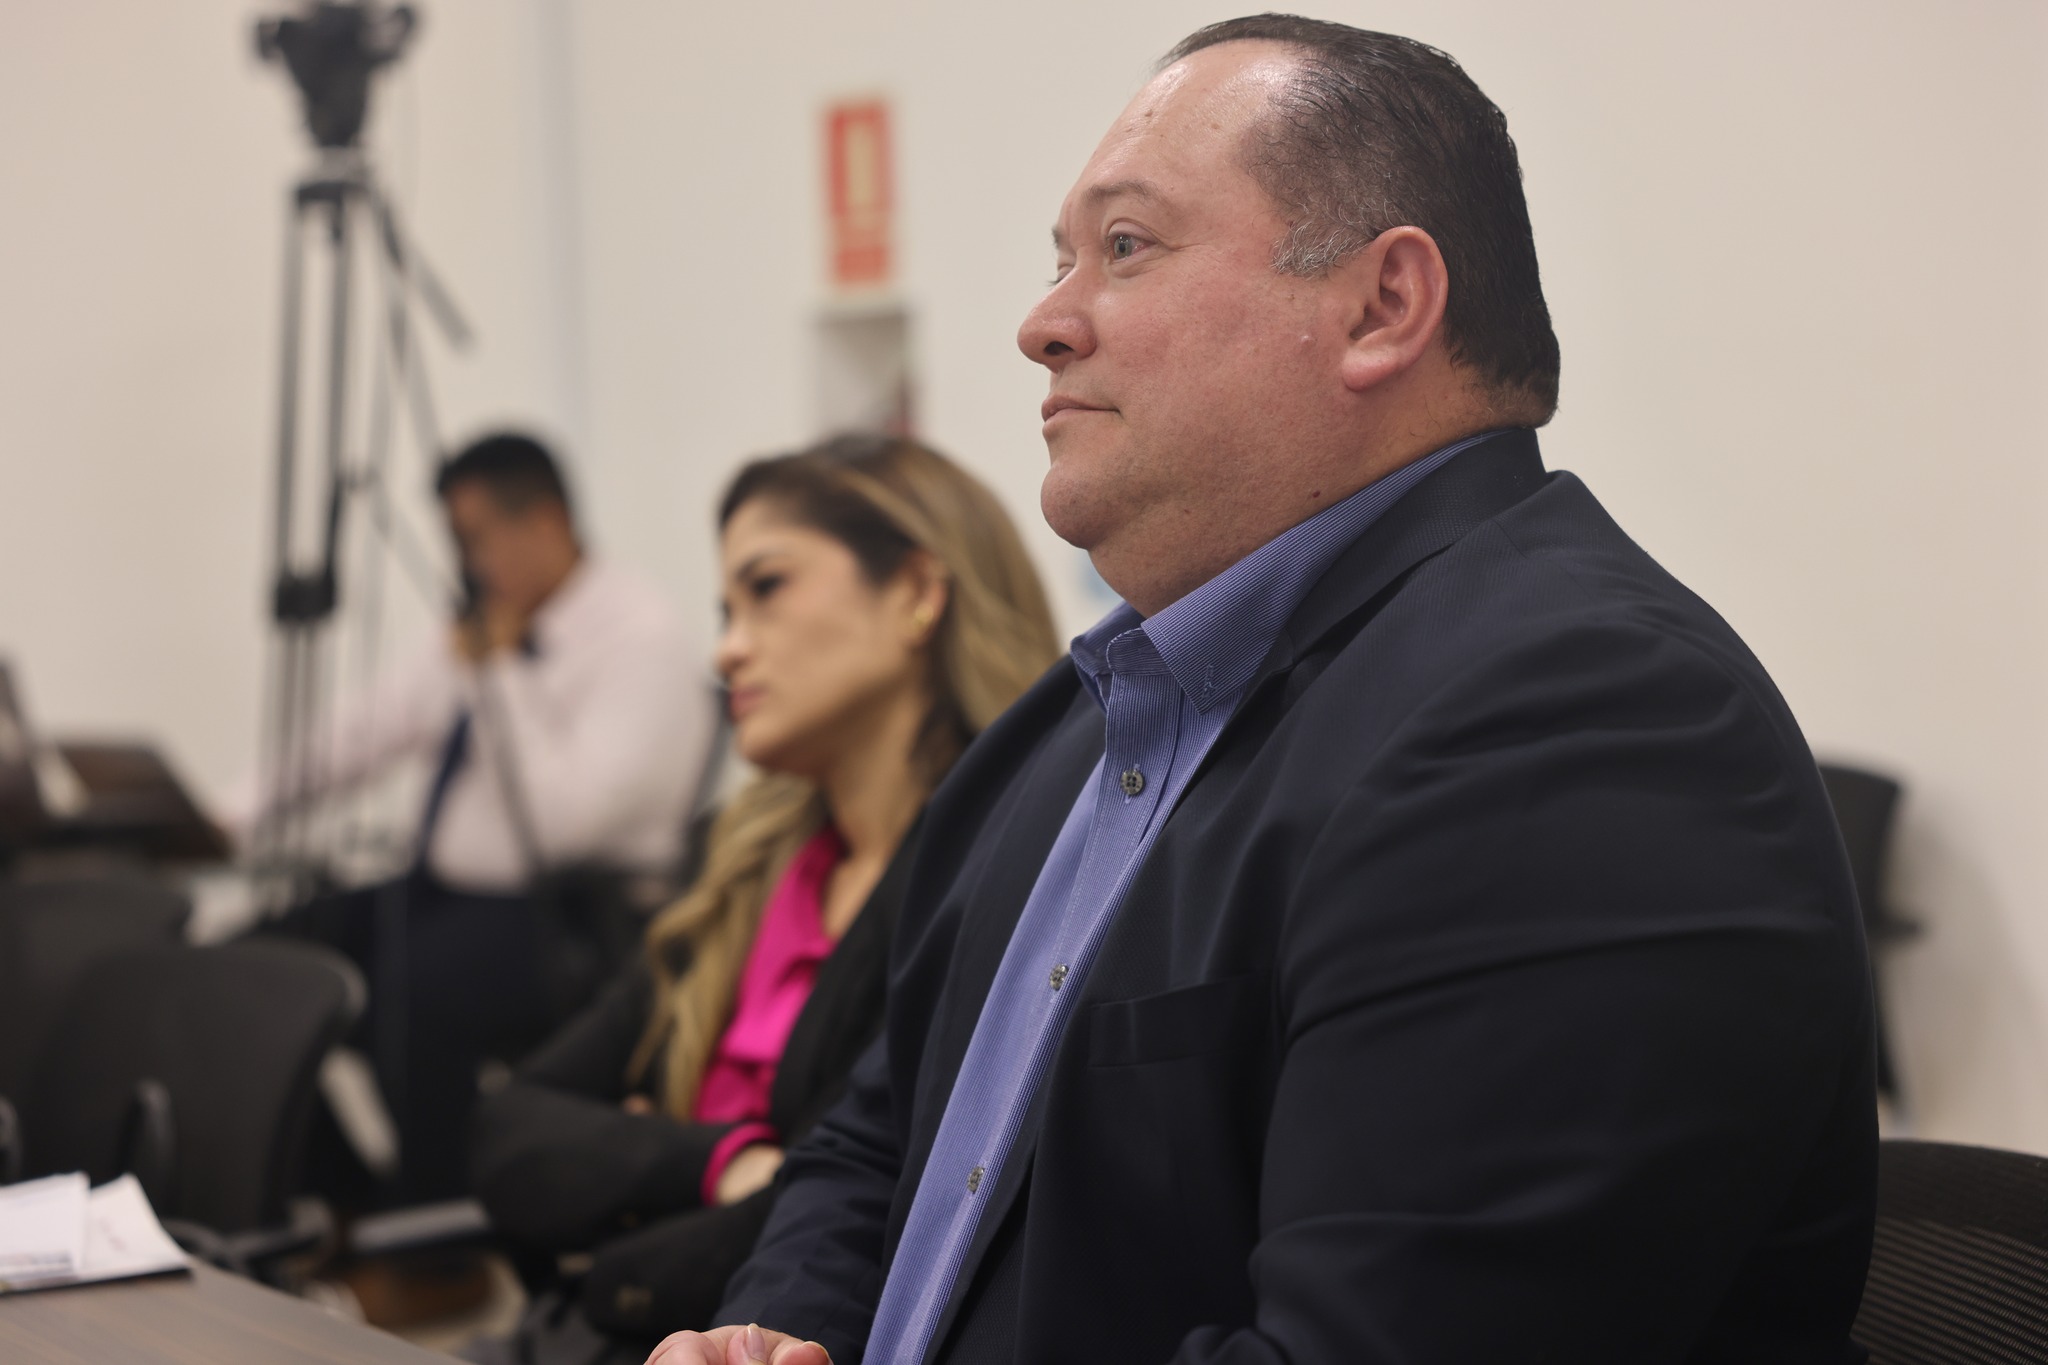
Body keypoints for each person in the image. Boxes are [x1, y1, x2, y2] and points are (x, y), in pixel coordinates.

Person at [653, 17, 1877, 1365]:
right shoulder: (1078, 720)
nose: (1043, 324)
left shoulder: (1584, 722)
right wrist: (774, 1332)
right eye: (1060, 261)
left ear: (1381, 307)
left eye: (1126, 247)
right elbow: (881, 1136)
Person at [465, 434, 1060, 1360]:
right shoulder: (745, 870)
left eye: (767, 588)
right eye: (725, 610)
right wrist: (720, 1160)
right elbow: (512, 1126)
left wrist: (617, 1186)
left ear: (916, 590)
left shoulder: (1001, 874)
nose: (728, 650)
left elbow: (849, 1207)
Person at [243, 431, 714, 1205]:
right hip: (445, 893)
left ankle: (441, 1226)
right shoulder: (485, 625)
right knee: (263, 964)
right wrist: (237, 811)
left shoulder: (640, 638)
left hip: (576, 913)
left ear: (546, 522)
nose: (465, 564)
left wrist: (499, 674)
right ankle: (350, 1205)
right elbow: (366, 730)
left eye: (473, 539)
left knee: (407, 994)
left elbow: (563, 822)